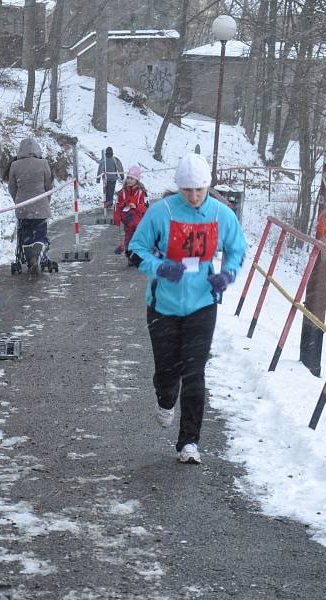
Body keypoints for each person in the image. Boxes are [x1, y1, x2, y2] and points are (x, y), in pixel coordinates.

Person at [128, 154, 247, 464]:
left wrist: (227, 273)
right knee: (168, 372)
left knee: (195, 373)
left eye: (199, 190)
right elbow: (136, 250)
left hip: (202, 304)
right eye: (187, 190)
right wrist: (160, 268)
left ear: (207, 186)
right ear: (178, 188)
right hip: (163, 305)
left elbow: (238, 249)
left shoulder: (221, 215)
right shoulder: (161, 213)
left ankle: (189, 443)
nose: (194, 197)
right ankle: (165, 399)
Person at [8, 137, 54, 273]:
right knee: (40, 233)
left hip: (23, 207)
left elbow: (12, 187)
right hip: (41, 207)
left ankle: (30, 257)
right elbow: (49, 186)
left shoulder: (15, 165)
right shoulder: (43, 163)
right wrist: (46, 201)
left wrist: (18, 201)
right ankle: (38, 255)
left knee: (25, 233)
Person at [113, 165, 148, 264]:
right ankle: (130, 257)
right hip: (128, 220)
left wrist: (136, 206)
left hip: (139, 221)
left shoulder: (141, 193)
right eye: (128, 178)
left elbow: (146, 206)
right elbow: (118, 206)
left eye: (132, 178)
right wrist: (117, 218)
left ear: (137, 180)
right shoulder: (122, 193)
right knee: (128, 239)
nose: (129, 180)